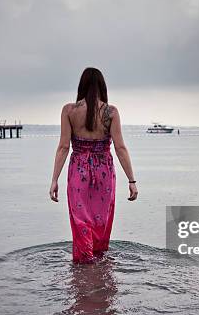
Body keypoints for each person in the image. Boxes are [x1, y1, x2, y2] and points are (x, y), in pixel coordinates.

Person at [49, 67, 137, 263]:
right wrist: (132, 180)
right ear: (102, 87)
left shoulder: (69, 111)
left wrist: (54, 180)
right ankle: (98, 264)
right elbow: (120, 148)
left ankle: (84, 264)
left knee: (80, 218)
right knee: (100, 220)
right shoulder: (110, 112)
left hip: (78, 171)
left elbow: (63, 147)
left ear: (81, 86)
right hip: (103, 169)